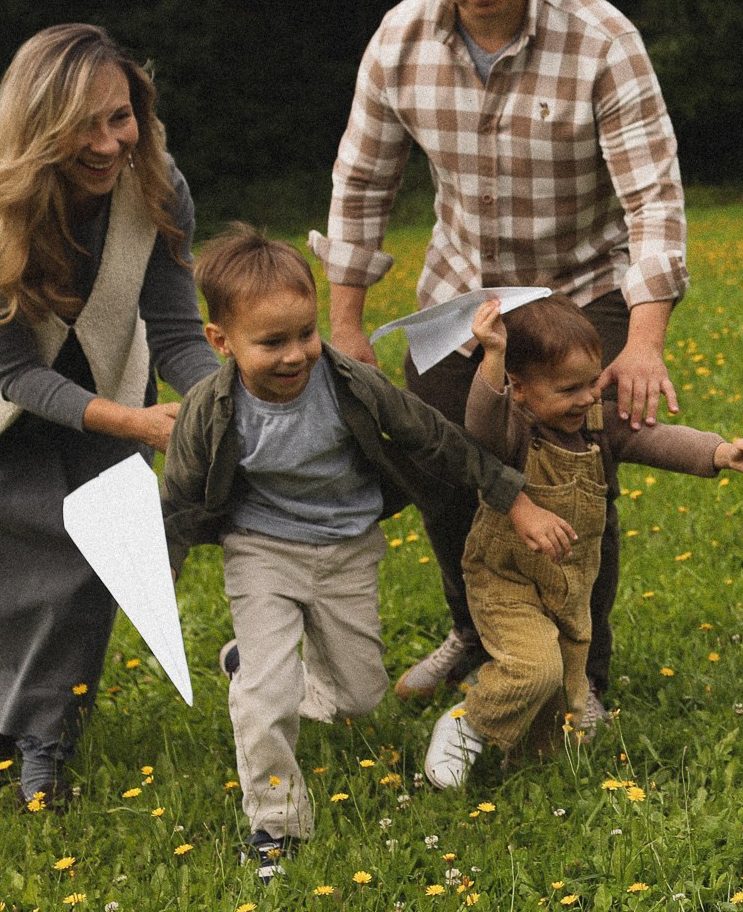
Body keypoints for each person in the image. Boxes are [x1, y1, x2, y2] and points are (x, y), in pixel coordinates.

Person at [314, 0, 688, 730]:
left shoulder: (600, 37)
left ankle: (578, 678)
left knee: (568, 480)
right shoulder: (400, 40)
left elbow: (653, 199)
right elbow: (361, 183)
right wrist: (348, 325)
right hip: (463, 296)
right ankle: (477, 636)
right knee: (443, 473)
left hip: (578, 286)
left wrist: (644, 339)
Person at [159, 225, 571, 874]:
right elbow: (179, 501)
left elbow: (435, 437)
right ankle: (276, 827)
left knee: (357, 696)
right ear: (221, 341)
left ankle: (249, 664)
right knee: (264, 701)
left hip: (348, 544)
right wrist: (161, 580)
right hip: (261, 549)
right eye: (272, 342)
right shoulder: (209, 411)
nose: (296, 354)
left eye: (305, 333)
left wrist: (513, 499)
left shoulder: (346, 382)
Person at [0, 25, 220, 809]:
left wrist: (221, 405)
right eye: (83, 127)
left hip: (89, 370)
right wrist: (139, 428)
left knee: (86, 556)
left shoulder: (157, 182)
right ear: (38, 127)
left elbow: (173, 333)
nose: (108, 144)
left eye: (121, 117)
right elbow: (12, 373)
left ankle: (44, 737)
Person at [422, 294, 743, 788]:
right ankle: (467, 723)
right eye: (569, 389)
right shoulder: (512, 430)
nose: (587, 398)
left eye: (592, 382)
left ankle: (526, 778)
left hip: (569, 581)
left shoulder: (596, 423)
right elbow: (479, 419)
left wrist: (719, 452)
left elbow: (655, 438)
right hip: (507, 578)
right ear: (518, 390)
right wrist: (493, 357)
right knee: (534, 669)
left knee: (560, 691)